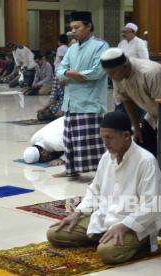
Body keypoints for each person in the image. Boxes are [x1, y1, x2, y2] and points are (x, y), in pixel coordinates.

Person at [46, 112, 161, 265]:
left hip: (134, 225)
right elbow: (94, 190)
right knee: (54, 234)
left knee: (106, 253)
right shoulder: (106, 157)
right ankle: (104, 237)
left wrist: (124, 226)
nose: (105, 142)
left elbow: (152, 205)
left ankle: (141, 243)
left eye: (109, 138)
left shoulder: (146, 161)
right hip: (106, 218)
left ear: (125, 135)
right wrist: (78, 213)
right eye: (103, 138)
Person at [100, 47, 161, 156]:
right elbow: (127, 101)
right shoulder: (117, 76)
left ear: (124, 66)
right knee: (142, 142)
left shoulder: (150, 73)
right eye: (108, 73)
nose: (110, 77)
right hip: (156, 110)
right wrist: (137, 128)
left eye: (112, 73)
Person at [54, 11, 109, 177]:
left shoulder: (100, 46)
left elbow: (97, 72)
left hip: (90, 102)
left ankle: (99, 175)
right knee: (70, 139)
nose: (73, 31)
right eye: (71, 28)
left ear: (89, 26)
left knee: (90, 141)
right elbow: (59, 70)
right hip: (71, 102)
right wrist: (72, 74)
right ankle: (71, 169)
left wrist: (69, 74)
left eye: (77, 27)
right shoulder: (71, 49)